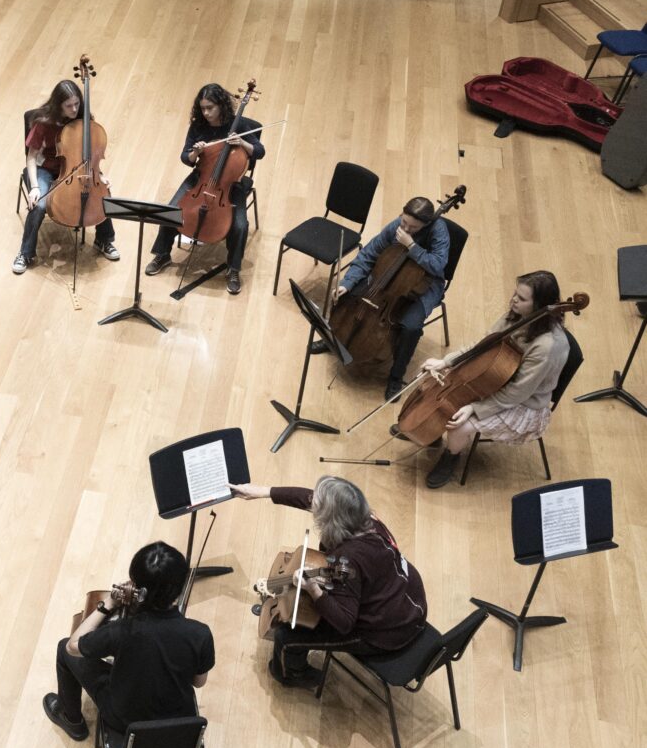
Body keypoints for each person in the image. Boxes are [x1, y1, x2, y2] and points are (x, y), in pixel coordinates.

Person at [228, 477, 428, 688]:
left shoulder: (348, 559)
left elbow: (344, 622)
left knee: (286, 637)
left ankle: (291, 675)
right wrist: (263, 491)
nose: (313, 507)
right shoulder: (365, 518)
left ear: (333, 521)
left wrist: (314, 589)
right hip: (409, 600)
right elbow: (310, 499)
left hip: (388, 632)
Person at [407, 270, 571, 488]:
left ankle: (451, 456)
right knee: (437, 381)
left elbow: (518, 392)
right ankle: (431, 431)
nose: (513, 300)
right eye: (515, 293)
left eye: (522, 299)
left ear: (540, 305)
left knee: (459, 425)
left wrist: (475, 408)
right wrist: (446, 362)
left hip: (524, 403)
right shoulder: (516, 316)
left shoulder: (548, 347)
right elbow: (481, 348)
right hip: (496, 380)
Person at [42, 542, 213, 741]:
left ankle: (72, 721)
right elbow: (198, 682)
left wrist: (108, 604)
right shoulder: (201, 634)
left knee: (63, 648)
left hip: (125, 721)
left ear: (140, 591)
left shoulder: (121, 631)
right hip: (178, 723)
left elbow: (72, 647)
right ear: (181, 586)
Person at [310, 196, 451, 401]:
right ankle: (334, 339)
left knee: (411, 327)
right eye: (403, 221)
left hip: (424, 286)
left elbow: (438, 265)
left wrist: (412, 246)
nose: (405, 228)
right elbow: (368, 254)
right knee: (347, 296)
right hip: (387, 275)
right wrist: (346, 283)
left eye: (412, 227)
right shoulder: (398, 226)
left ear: (425, 224)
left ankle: (396, 376)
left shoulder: (439, 231)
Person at [146, 83, 265, 295]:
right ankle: (162, 255)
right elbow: (186, 158)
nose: (206, 113)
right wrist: (195, 152)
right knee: (171, 210)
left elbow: (260, 151)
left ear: (221, 105)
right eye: (202, 108)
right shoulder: (198, 126)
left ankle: (233, 269)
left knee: (240, 225)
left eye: (210, 108)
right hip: (201, 178)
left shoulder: (238, 124)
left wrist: (243, 143)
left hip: (230, 184)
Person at [12, 80, 120, 275]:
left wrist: (99, 175)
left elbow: (90, 154)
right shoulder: (43, 122)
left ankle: (104, 240)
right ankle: (25, 253)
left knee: (102, 195)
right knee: (39, 206)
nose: (74, 109)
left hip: (76, 169)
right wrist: (35, 187)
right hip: (45, 170)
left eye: (77, 104)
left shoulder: (84, 120)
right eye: (68, 105)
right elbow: (31, 157)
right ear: (58, 105)